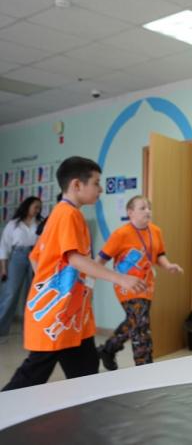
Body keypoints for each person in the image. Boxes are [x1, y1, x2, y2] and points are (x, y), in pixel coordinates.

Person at [2, 156, 146, 391]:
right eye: (96, 183)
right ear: (77, 185)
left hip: (72, 316)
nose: (100, 189)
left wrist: (60, 286)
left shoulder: (61, 214)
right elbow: (76, 259)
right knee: (32, 376)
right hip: (57, 318)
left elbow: (36, 257)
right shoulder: (68, 214)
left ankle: (91, 409)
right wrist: (121, 278)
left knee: (86, 372)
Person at [96, 195, 183, 370]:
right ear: (130, 212)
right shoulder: (120, 234)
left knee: (135, 321)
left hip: (146, 285)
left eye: (149, 207)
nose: (147, 211)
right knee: (141, 325)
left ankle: (108, 349)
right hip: (126, 286)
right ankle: (145, 368)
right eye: (142, 208)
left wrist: (168, 266)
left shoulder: (155, 231)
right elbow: (100, 260)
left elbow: (159, 255)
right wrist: (92, 280)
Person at [0, 196, 42, 339]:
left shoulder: (40, 224)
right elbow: (4, 246)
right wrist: (4, 268)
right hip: (17, 256)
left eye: (39, 207)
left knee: (32, 295)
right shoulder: (13, 224)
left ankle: (30, 331)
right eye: (35, 207)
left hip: (36, 257)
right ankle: (1, 330)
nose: (37, 210)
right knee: (10, 293)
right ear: (27, 206)